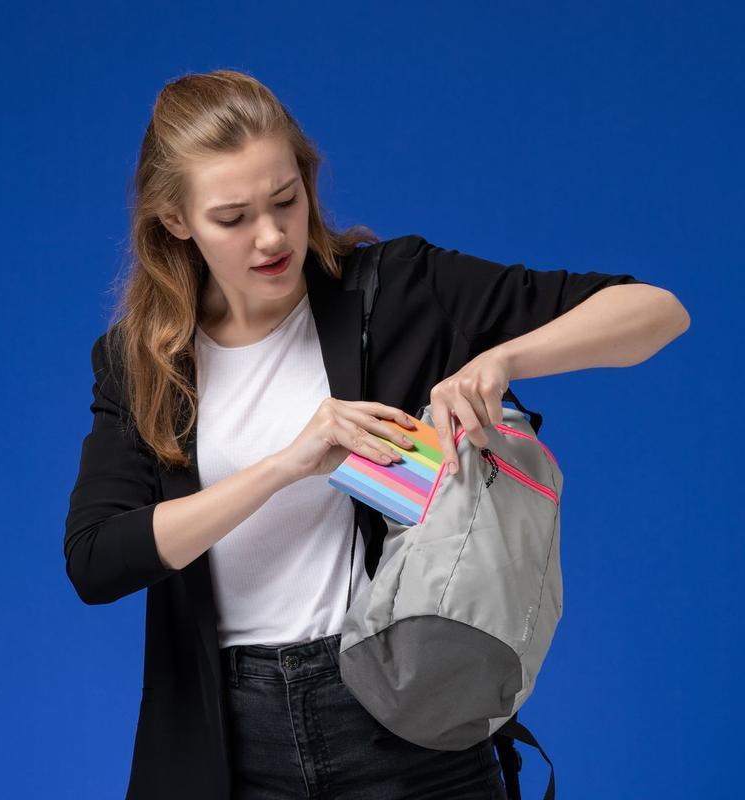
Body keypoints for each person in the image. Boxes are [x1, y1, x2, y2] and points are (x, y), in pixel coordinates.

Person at [64, 69, 690, 800]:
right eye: (233, 218)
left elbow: (654, 312)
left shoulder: (397, 290)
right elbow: (97, 561)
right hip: (228, 745)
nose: (271, 237)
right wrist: (285, 465)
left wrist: (503, 358)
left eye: (286, 200)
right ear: (176, 222)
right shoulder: (143, 364)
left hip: (403, 718)